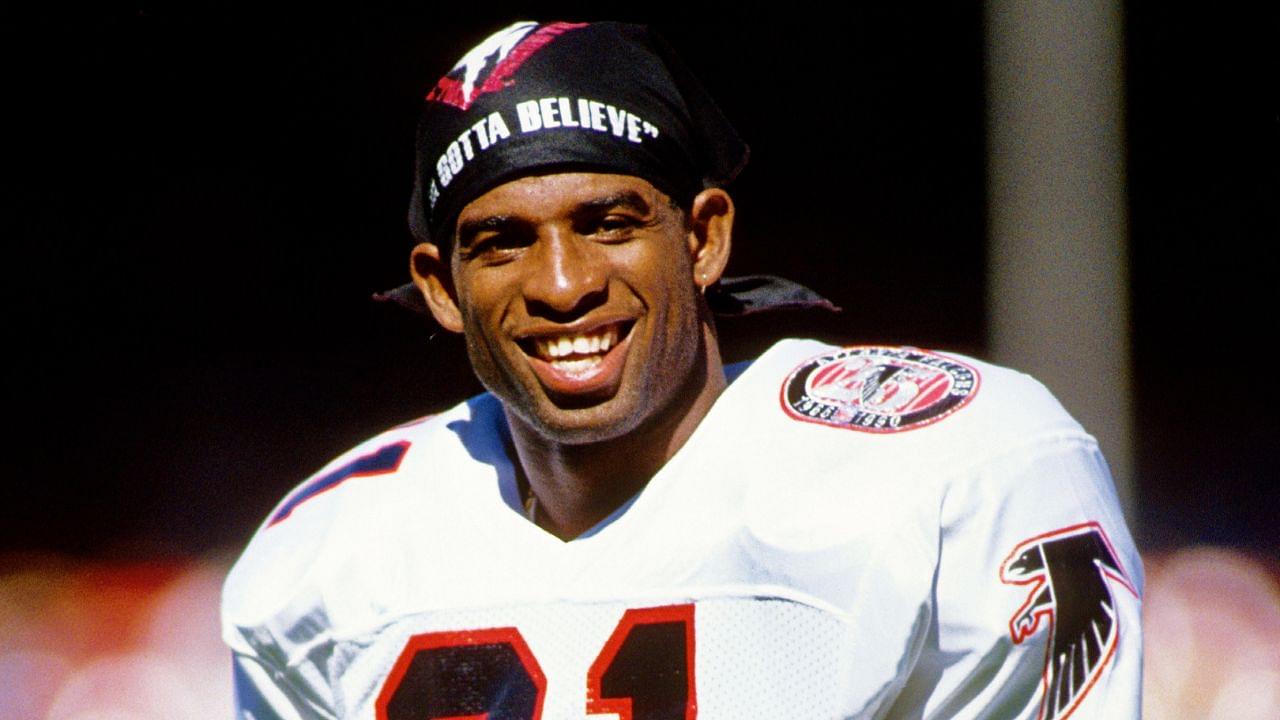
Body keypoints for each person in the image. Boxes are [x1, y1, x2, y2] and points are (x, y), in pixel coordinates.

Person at [222, 20, 1143, 719]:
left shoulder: (956, 470)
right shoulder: (324, 558)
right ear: (440, 288)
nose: (563, 284)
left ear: (702, 238)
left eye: (609, 224)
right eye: (501, 243)